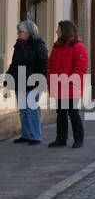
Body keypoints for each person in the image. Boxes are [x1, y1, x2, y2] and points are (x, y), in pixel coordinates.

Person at [47, 20, 89, 148]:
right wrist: (50, 81)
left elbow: (80, 69)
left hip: (71, 87)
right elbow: (50, 67)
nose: (56, 31)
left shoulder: (78, 47)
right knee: (61, 114)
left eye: (58, 29)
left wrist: (70, 83)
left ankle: (79, 139)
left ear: (64, 31)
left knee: (72, 113)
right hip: (58, 86)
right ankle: (61, 139)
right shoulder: (57, 47)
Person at [7, 21, 48, 144]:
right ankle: (26, 135)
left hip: (33, 82)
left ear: (30, 32)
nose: (19, 34)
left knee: (31, 109)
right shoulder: (18, 45)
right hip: (20, 81)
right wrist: (8, 79)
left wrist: (40, 80)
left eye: (21, 32)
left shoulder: (39, 45)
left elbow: (43, 64)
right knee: (23, 110)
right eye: (18, 32)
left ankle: (35, 136)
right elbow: (13, 64)